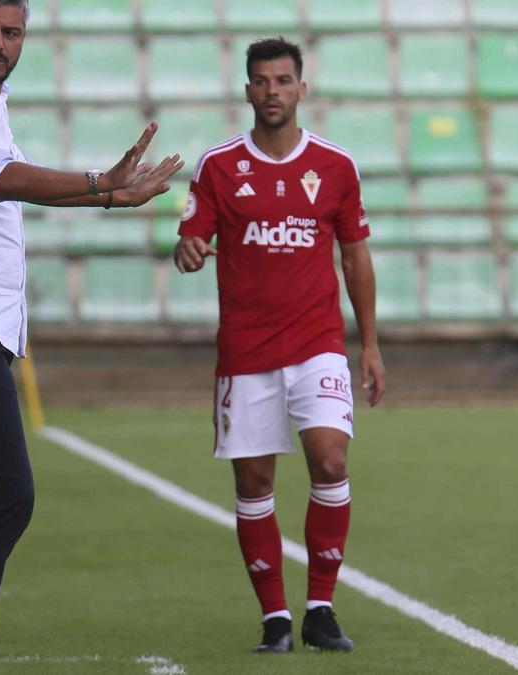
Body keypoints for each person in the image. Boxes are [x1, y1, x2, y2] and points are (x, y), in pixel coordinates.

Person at [0, 1, 183, 673]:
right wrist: (96, 182)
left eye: (11, 32)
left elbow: (13, 183)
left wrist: (113, 196)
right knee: (4, 495)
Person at [173, 37, 387, 655]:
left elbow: (355, 255)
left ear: (301, 88)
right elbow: (191, 240)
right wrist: (186, 251)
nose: (272, 91)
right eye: (261, 82)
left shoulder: (336, 166)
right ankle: (275, 618)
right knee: (254, 484)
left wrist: (369, 345)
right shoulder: (218, 167)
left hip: (318, 344)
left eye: (283, 80)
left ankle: (320, 607)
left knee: (330, 461)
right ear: (248, 90)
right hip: (245, 352)